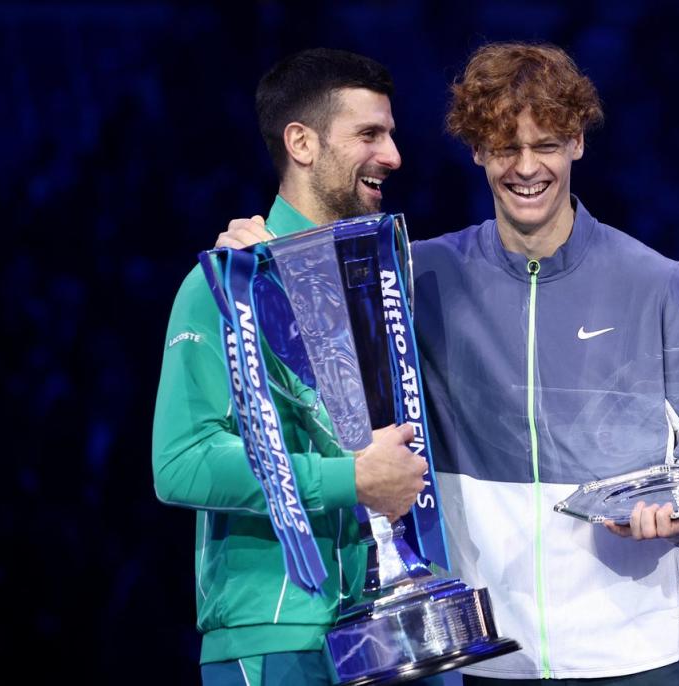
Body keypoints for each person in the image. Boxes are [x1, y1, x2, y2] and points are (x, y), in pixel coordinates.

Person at [220, 42, 679, 686]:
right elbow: (327, 351)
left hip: (639, 653)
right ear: (476, 150)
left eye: (546, 145)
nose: (526, 168)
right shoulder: (421, 274)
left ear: (577, 142)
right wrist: (257, 261)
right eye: (504, 148)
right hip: (493, 659)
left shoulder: (653, 280)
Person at [152, 48, 429, 686]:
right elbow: (182, 461)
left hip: (398, 626)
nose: (393, 156)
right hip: (278, 633)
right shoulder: (226, 284)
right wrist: (350, 479)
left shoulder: (387, 281)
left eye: (390, 133)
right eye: (369, 134)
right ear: (301, 142)